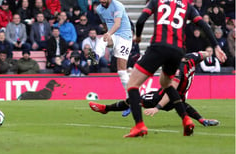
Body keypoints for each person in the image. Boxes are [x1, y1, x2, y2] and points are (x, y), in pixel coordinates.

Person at [124, 0, 226, 138]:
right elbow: (204, 25)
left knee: (132, 85)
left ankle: (139, 126)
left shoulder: (157, 0)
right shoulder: (187, 5)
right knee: (166, 83)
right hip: (178, 51)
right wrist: (215, 46)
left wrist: (139, 36)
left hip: (158, 46)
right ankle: (186, 119)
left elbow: (141, 20)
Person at [89, 51, 220, 127]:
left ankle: (106, 109)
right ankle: (202, 120)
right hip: (179, 99)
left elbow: (170, 93)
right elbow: (203, 54)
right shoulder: (190, 58)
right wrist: (213, 52)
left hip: (161, 98)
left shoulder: (177, 70)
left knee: (134, 99)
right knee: (183, 105)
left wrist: (157, 108)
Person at [95, 0, 133, 116]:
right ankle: (95, 57)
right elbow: (105, 23)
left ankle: (131, 101)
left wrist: (108, 33)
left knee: (121, 70)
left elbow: (117, 24)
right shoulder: (99, 9)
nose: (101, 0)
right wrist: (107, 32)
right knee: (101, 40)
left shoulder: (118, 6)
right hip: (113, 36)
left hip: (125, 37)